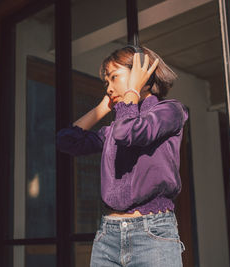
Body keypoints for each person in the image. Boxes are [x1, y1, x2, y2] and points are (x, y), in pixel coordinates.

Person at [56, 46, 188, 267]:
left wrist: (132, 93)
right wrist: (102, 107)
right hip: (108, 236)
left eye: (114, 77)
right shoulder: (114, 130)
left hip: (152, 235)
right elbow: (67, 141)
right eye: (106, 82)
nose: (108, 88)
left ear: (142, 76)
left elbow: (130, 133)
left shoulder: (170, 111)